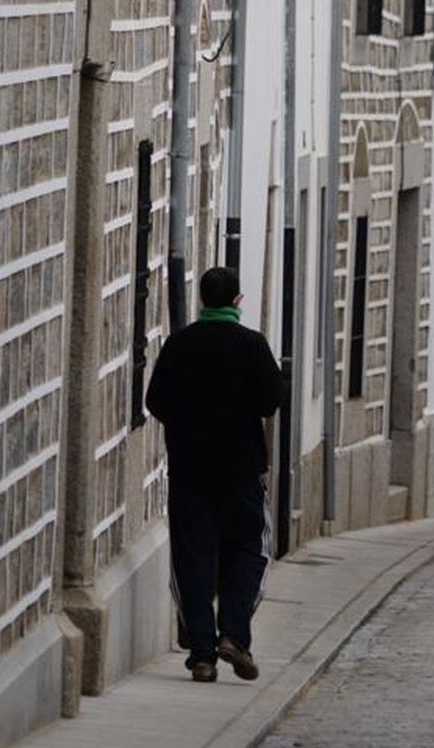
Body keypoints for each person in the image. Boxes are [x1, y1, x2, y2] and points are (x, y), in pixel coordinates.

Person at [145, 267, 286, 683]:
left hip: (190, 471)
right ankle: (235, 636)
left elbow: (156, 401)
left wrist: (187, 424)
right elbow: (271, 400)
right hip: (241, 471)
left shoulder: (179, 345)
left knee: (193, 557)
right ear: (238, 301)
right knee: (251, 550)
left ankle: (203, 654)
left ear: (203, 300)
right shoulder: (252, 345)